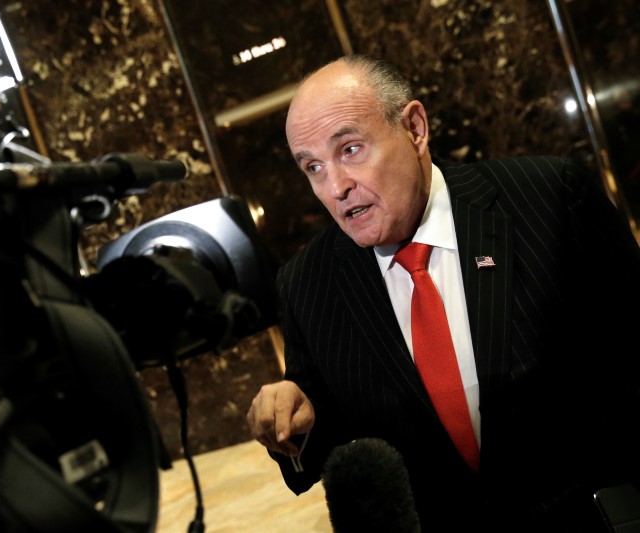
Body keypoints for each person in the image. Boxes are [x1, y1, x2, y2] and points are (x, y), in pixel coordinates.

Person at [246, 54, 640, 532]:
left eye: (349, 149)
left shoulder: (550, 199)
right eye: (312, 167)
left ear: (414, 128)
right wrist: (292, 423)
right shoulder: (309, 283)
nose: (336, 187)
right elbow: (324, 435)